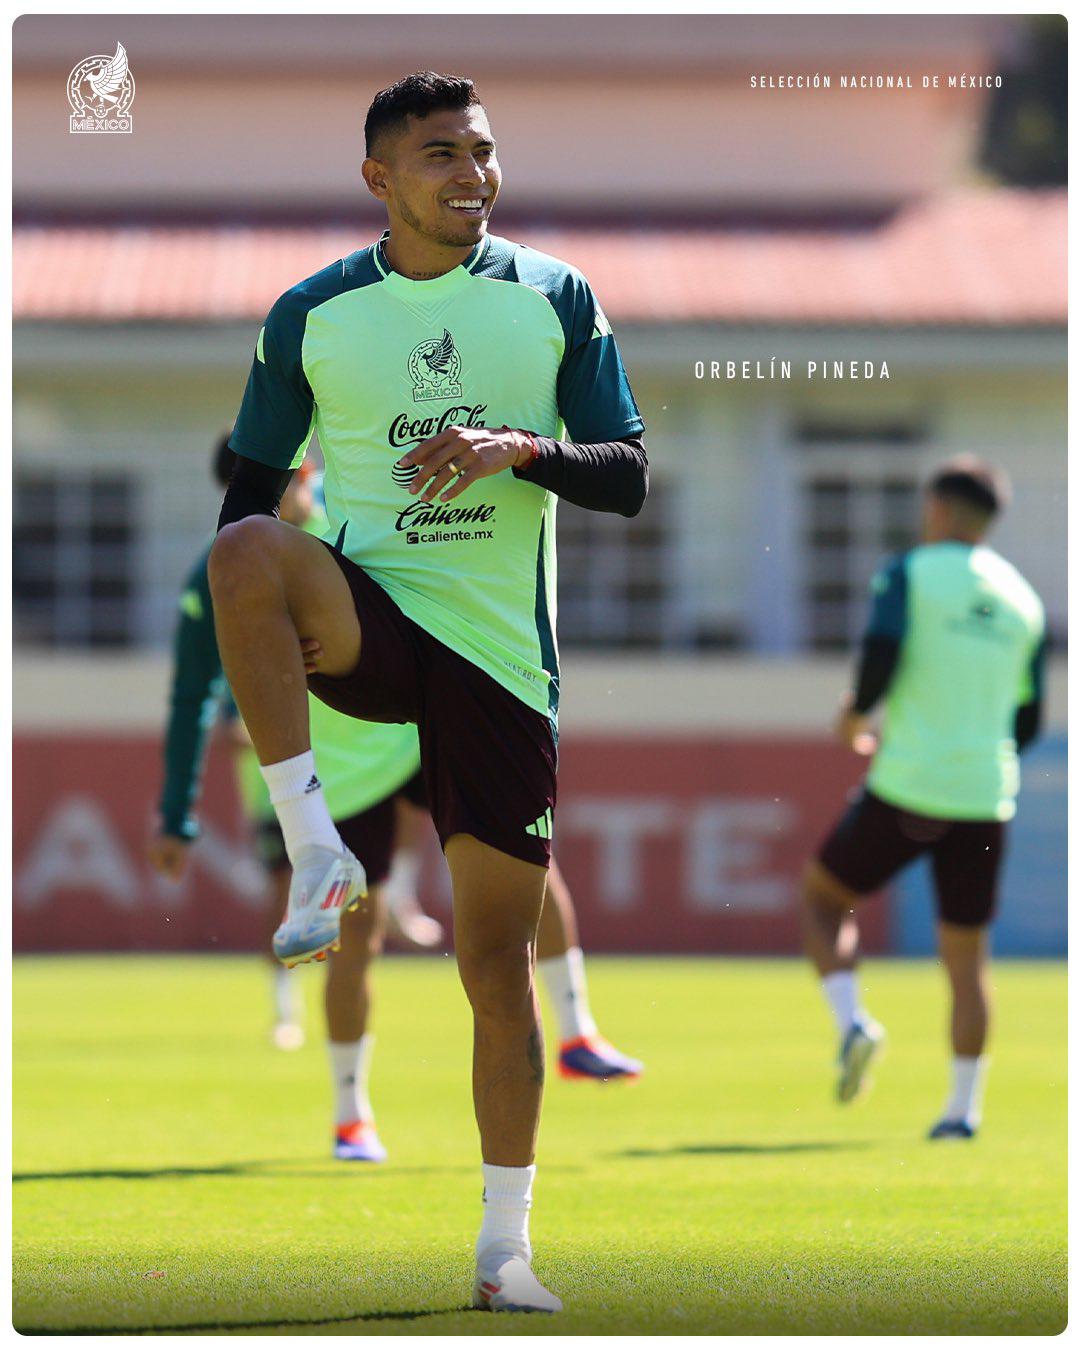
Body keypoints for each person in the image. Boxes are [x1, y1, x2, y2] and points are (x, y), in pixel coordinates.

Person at [208, 71, 647, 1312]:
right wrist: (279, 620)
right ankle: (312, 849)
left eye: (486, 152)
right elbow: (247, 505)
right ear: (379, 180)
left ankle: (506, 1250)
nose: (474, 174)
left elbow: (627, 477)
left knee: (493, 965)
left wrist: (525, 450)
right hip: (379, 620)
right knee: (243, 556)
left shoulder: (559, 296)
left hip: (504, 665)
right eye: (442, 154)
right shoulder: (311, 315)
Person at [802, 457, 1046, 1140]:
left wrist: (855, 717)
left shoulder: (910, 572)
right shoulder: (1024, 599)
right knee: (967, 961)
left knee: (823, 898)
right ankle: (962, 1112)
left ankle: (853, 1021)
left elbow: (879, 656)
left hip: (907, 786)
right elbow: (1028, 723)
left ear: (937, 508)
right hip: (986, 797)